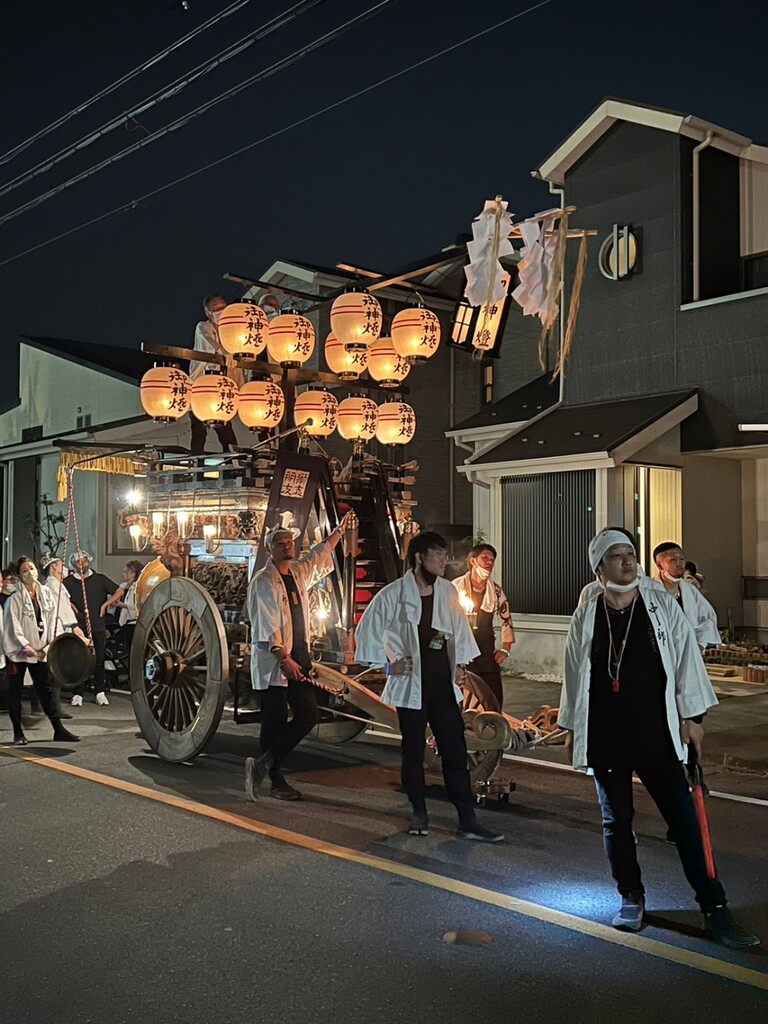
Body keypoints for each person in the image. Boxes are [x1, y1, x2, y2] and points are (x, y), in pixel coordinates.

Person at [559, 530, 759, 948]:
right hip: (607, 735)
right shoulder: (587, 614)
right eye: (616, 556)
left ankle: (715, 907)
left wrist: (694, 717)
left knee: (685, 822)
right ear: (599, 569)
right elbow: (574, 674)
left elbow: (687, 662)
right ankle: (630, 896)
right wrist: (573, 726)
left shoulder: (661, 606)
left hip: (657, 734)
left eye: (630, 554)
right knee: (617, 821)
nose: (627, 561)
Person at [355, 531, 504, 842]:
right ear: (419, 558)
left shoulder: (448, 591)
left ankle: (467, 819)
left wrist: (460, 665)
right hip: (411, 687)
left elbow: (459, 631)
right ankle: (418, 811)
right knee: (413, 751)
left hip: (441, 687)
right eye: (437, 554)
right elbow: (368, 630)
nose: (443, 560)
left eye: (444, 554)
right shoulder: (394, 594)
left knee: (455, 750)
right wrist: (387, 666)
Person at [244, 515, 351, 801]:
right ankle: (276, 779)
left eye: (289, 542)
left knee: (308, 714)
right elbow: (265, 625)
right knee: (274, 720)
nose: (286, 546)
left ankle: (263, 764)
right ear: (269, 549)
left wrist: (339, 532)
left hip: (299, 658)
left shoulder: (296, 572)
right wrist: (283, 658)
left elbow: (317, 557)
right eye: (280, 543)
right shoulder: (264, 581)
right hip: (276, 662)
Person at [2, 555, 79, 745]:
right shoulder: (15, 598)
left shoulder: (45, 594)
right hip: (19, 652)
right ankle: (18, 732)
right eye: (25, 570)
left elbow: (53, 620)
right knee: (15, 691)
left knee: (45, 690)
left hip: (41, 649)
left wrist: (49, 644)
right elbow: (13, 625)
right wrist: (24, 645)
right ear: (19, 575)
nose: (30, 573)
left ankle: (58, 729)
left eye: (31, 568)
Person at [451, 543, 515, 709]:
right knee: (460, 696)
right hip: (461, 651)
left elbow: (506, 618)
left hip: (486, 650)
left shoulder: (495, 590)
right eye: (484, 558)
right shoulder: (456, 587)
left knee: (493, 697)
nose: (489, 562)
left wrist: (506, 648)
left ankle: (492, 720)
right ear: (473, 561)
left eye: (492, 560)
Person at [63, 550, 118, 707]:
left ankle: (99, 691)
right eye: (78, 562)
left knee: (99, 659)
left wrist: (105, 605)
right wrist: (70, 606)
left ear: (89, 561)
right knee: (79, 660)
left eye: (84, 560)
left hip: (97, 625)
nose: (82, 563)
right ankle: (78, 692)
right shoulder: (69, 582)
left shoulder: (99, 579)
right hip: (79, 627)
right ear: (74, 564)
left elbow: (118, 590)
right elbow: (60, 596)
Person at [189, 293, 238, 455]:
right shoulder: (203, 326)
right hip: (201, 387)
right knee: (199, 432)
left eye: (222, 306)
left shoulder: (231, 330)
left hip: (221, 389)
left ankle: (233, 462)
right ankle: (196, 463)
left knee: (226, 432)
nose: (220, 310)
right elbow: (207, 341)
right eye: (215, 308)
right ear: (208, 312)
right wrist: (222, 350)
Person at [653, 542, 720, 648]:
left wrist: (700, 645)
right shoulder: (650, 591)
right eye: (673, 560)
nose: (679, 563)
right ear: (659, 564)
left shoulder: (690, 590)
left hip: (690, 648)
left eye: (682, 559)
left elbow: (708, 619)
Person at [100, 560, 143, 627]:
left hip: (131, 622)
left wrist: (123, 605)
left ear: (133, 573)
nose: (123, 574)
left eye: (125, 572)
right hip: (118, 618)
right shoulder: (122, 586)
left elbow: (139, 607)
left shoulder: (138, 588)